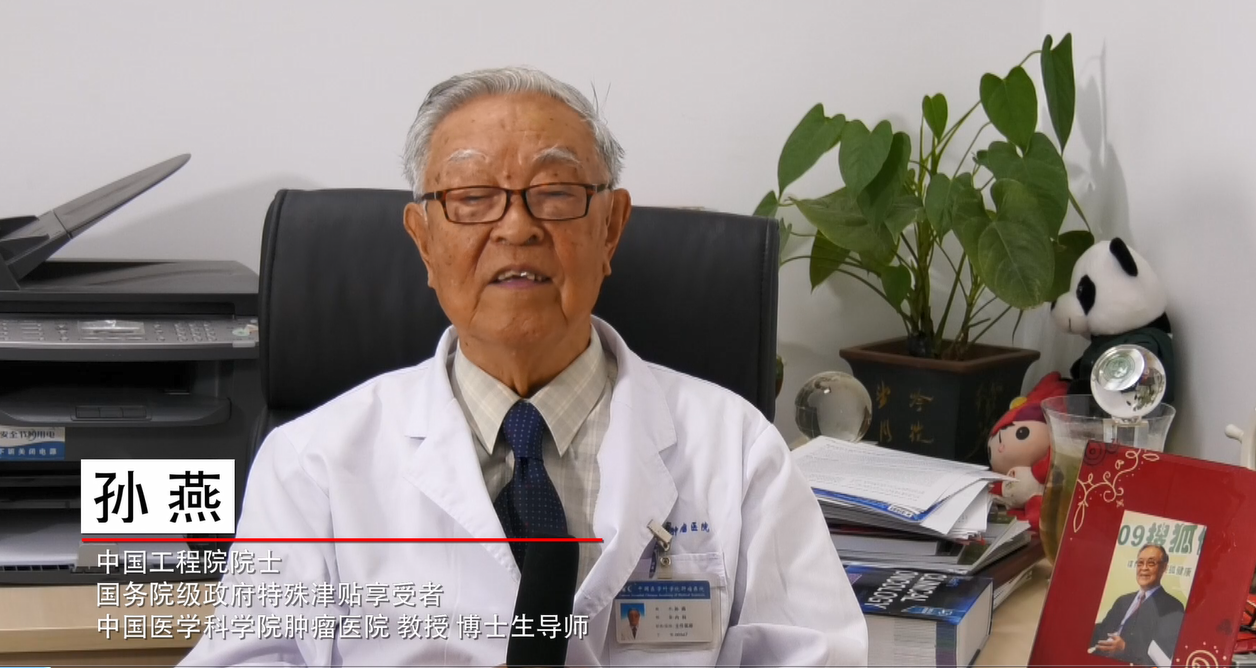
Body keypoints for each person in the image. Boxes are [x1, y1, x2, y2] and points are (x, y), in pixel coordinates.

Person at [178, 66, 866, 667]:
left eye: (556, 192)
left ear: (610, 229)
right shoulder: (311, 464)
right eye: (472, 197)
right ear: (424, 242)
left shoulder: (737, 449)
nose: (516, 227)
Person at [1091, 544, 1186, 666]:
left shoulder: (1173, 607)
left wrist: (1124, 648)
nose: (1144, 568)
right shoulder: (1123, 600)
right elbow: (1103, 629)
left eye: (1151, 563)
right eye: (1140, 563)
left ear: (1164, 567)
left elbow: (1161, 654)